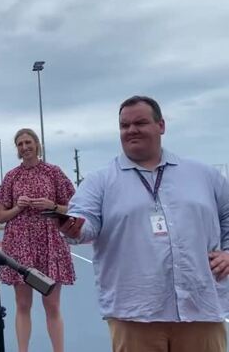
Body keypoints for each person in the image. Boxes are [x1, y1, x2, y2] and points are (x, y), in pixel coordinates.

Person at [60, 95, 229, 352]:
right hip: (135, 313)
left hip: (201, 307)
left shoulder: (204, 175)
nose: (131, 130)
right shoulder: (100, 181)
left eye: (140, 122)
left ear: (161, 126)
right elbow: (85, 224)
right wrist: (74, 227)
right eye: (124, 125)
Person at [0, 128, 76, 352]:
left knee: (51, 304)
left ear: (37, 144)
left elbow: (74, 208)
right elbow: (1, 215)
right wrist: (18, 207)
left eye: (28, 142)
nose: (24, 147)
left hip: (49, 244)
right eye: (20, 144)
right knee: (22, 304)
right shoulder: (11, 176)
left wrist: (53, 206)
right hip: (20, 245)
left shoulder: (53, 172)